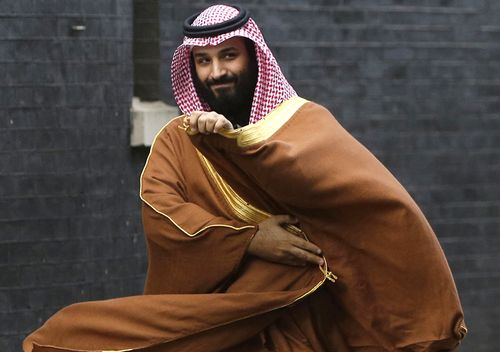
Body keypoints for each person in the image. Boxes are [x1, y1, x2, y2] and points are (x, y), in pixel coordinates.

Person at [23, 4, 466, 352]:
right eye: (203, 61)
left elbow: (370, 204)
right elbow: (162, 210)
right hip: (223, 318)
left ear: (253, 56)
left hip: (310, 316)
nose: (217, 72)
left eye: (229, 55)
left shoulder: (306, 125)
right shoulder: (178, 141)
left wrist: (236, 147)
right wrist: (249, 239)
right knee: (71, 332)